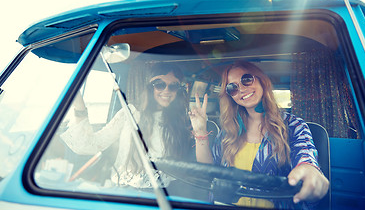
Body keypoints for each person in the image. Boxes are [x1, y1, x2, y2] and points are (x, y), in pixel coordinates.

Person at [189, 60, 329, 208]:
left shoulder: (293, 125)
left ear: (261, 80)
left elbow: (305, 154)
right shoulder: (229, 130)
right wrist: (200, 130)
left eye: (246, 80)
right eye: (232, 87)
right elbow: (209, 170)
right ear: (230, 95)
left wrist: (309, 170)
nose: (241, 89)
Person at [60, 62, 193, 188]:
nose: (166, 90)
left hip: (162, 194)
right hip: (125, 191)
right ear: (149, 86)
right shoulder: (130, 114)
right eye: (159, 84)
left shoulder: (180, 121)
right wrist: (79, 106)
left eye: (173, 86)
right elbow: (90, 144)